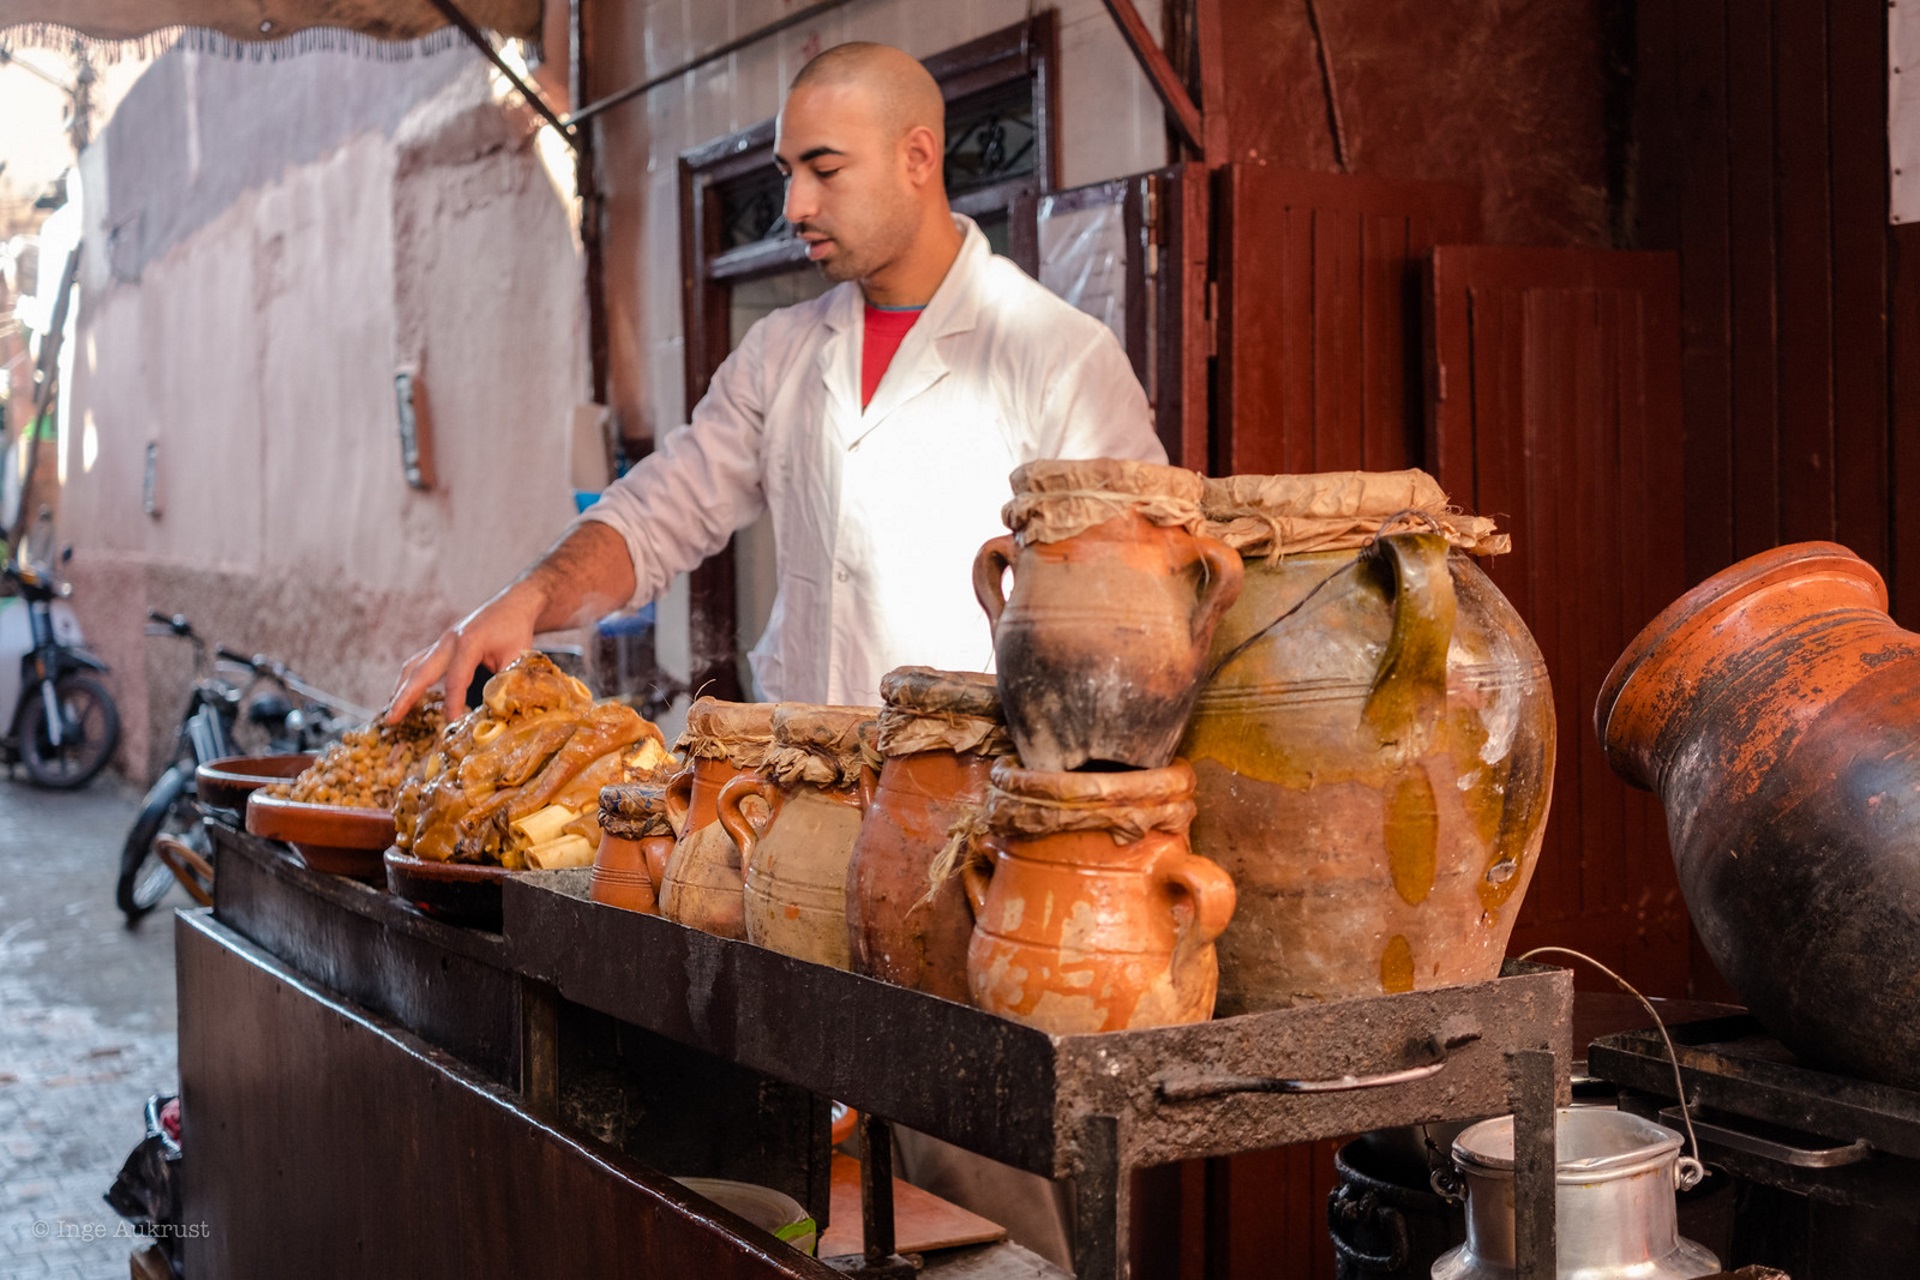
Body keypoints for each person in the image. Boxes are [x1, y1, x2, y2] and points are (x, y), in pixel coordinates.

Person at [387, 41, 1163, 721]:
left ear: (918, 159)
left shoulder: (1058, 357)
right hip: (800, 804)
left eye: (824, 169)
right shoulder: (781, 353)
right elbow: (658, 513)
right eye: (788, 172)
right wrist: (528, 597)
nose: (795, 205)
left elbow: (1136, 603)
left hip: (974, 816)